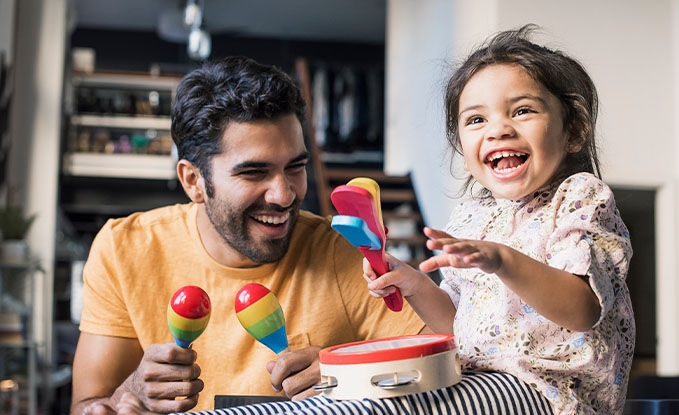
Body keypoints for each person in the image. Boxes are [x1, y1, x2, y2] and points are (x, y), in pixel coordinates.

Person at [170, 25, 633, 415]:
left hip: (547, 394)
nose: (498, 129)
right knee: (345, 400)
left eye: (523, 110)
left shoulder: (580, 198)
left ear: (573, 129)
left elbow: (584, 309)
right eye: (475, 120)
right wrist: (414, 284)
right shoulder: (475, 217)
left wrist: (502, 260)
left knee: (376, 406)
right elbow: (455, 326)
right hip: (479, 384)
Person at [71, 56, 425, 415]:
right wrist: (128, 393)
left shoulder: (342, 251)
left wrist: (353, 375)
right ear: (193, 181)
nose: (284, 195)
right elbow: (86, 406)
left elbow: (445, 370)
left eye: (295, 167)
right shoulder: (123, 248)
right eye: (254, 173)